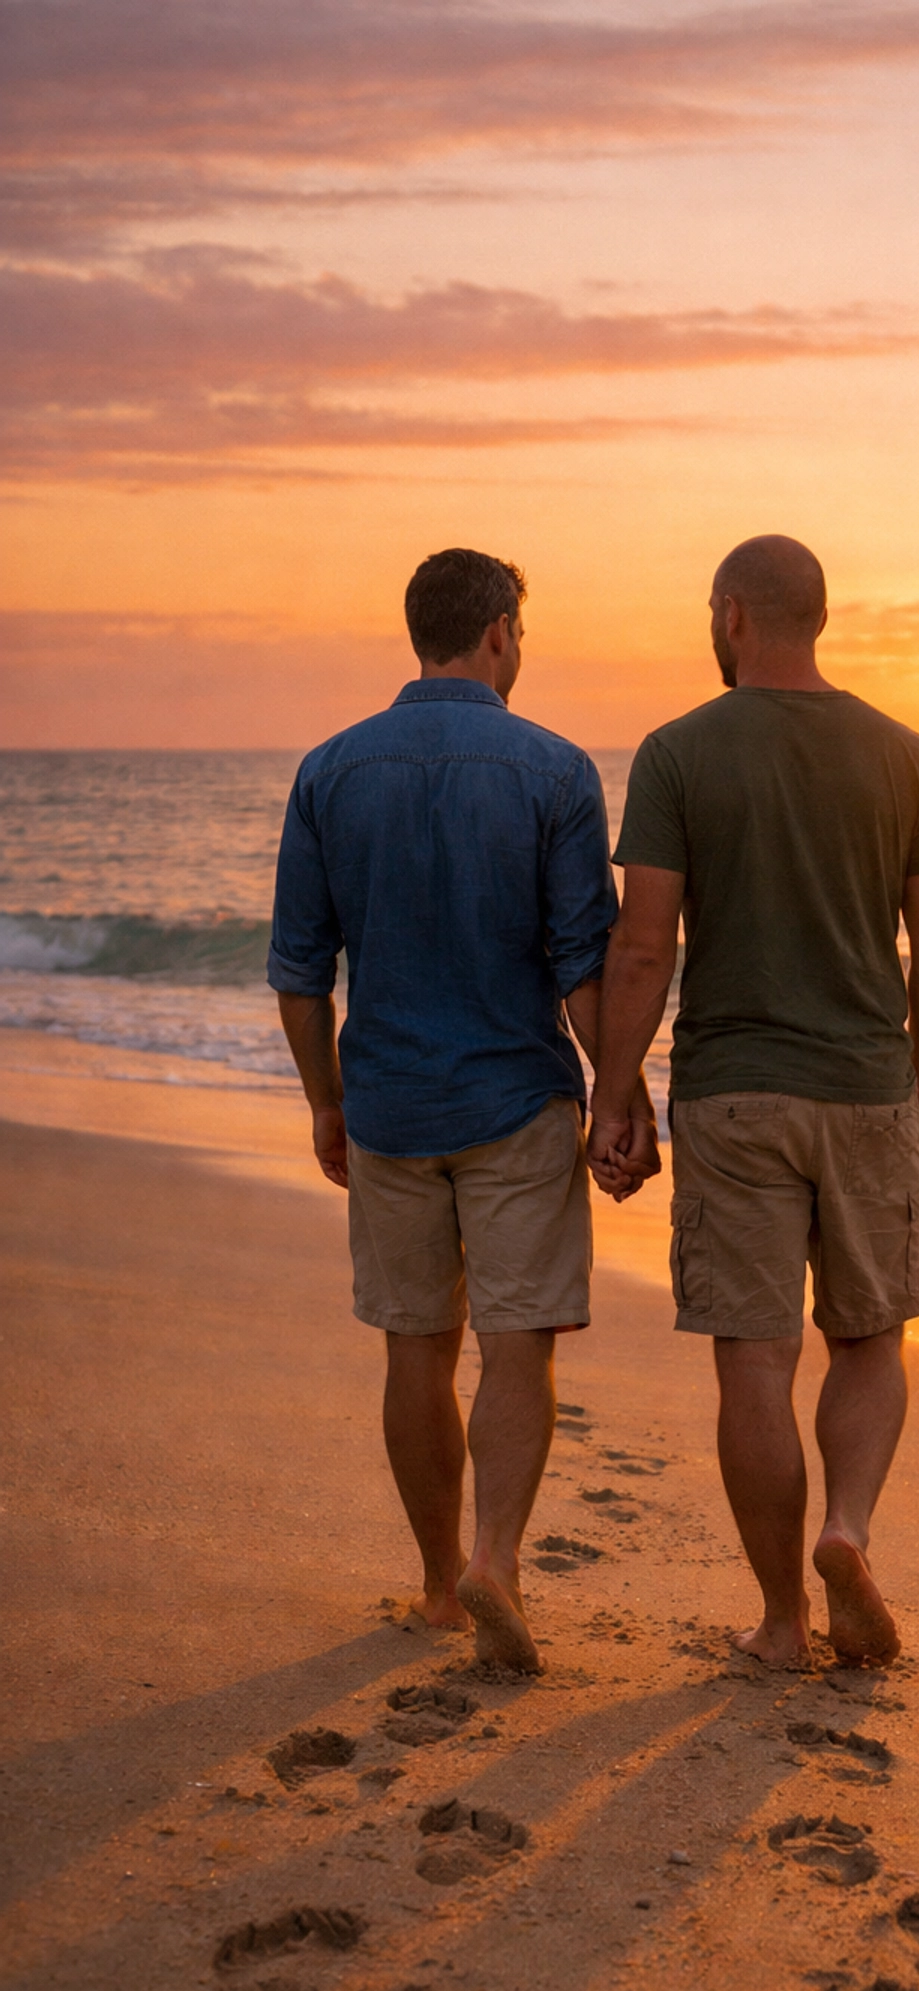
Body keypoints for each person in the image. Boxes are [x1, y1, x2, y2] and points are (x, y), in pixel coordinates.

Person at [267, 546, 657, 1673]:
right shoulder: (553, 769)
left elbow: (300, 975)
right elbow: (585, 957)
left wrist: (326, 1108)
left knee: (415, 1347)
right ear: (497, 633)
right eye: (520, 635)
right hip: (518, 1101)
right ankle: (498, 1558)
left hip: (388, 1103)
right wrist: (619, 1094)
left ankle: (440, 1584)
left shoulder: (330, 770)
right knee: (519, 1347)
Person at [588, 534, 919, 1668]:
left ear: (733, 614)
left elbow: (643, 949)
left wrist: (615, 1096)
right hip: (863, 1092)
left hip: (734, 1095)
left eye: (713, 613)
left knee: (753, 1358)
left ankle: (782, 1623)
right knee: (868, 1338)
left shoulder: (675, 754)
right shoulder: (904, 754)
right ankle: (846, 1530)